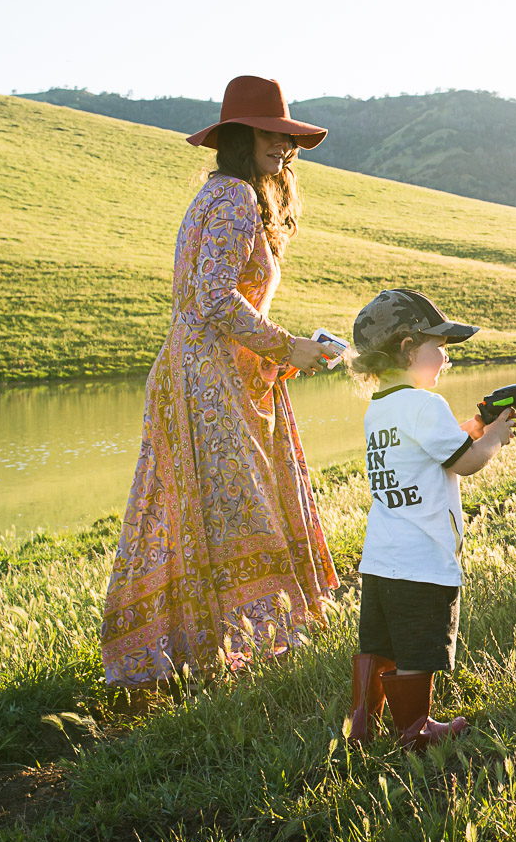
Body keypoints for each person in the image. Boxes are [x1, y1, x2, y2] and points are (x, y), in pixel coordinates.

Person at [101, 76, 342, 687]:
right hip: (209, 377)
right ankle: (256, 648)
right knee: (238, 506)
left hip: (203, 369)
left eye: (287, 139)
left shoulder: (218, 195)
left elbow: (213, 302)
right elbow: (214, 298)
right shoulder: (234, 198)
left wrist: (280, 355)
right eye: (271, 135)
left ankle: (183, 653)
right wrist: (290, 346)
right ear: (237, 136)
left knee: (188, 509)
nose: (283, 149)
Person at [344, 288, 516, 750]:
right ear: (407, 349)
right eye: (438, 348)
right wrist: (495, 435)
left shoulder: (380, 409)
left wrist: (472, 431)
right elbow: (464, 463)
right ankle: (415, 729)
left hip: (381, 559)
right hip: (421, 559)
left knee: (380, 642)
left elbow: (430, 452)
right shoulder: (426, 405)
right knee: (418, 648)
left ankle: (362, 722)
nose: (445, 359)